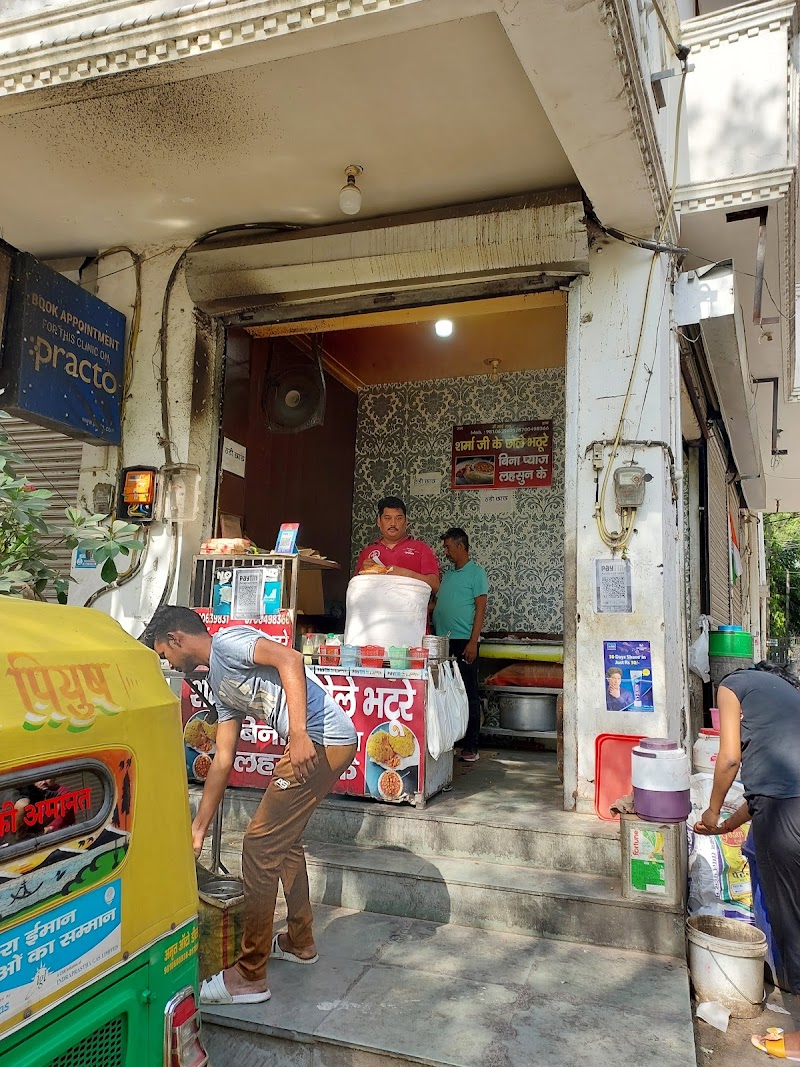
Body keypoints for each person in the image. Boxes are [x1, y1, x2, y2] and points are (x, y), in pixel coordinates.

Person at [146, 606, 357, 1006]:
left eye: (165, 654)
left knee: (259, 846)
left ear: (176, 639)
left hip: (320, 740)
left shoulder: (228, 643)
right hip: (323, 743)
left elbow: (289, 658)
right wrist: (198, 828)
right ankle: (299, 940)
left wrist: (297, 733)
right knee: (284, 843)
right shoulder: (221, 684)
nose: (169, 663)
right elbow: (223, 761)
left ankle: (249, 974)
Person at [693, 660, 800, 1060]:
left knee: (792, 925)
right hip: (785, 808)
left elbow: (730, 759)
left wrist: (711, 808)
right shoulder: (787, 699)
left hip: (786, 819)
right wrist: (721, 828)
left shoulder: (732, 684)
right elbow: (761, 799)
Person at [433, 528, 488, 762]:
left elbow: (480, 609)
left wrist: (473, 641)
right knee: (444, 694)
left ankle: (471, 746)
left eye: (448, 547)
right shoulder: (448, 575)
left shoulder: (477, 573)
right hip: (442, 642)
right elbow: (440, 605)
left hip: (464, 641)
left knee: (468, 693)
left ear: (461, 546)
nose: (445, 551)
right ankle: (449, 741)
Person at [355, 496, 440, 593]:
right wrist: (363, 572)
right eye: (387, 518)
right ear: (379, 521)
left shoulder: (421, 548)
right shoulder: (368, 552)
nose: (393, 523)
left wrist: (406, 574)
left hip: (410, 607)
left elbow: (435, 585)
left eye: (398, 518)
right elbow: (357, 589)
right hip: (377, 607)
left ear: (406, 522)